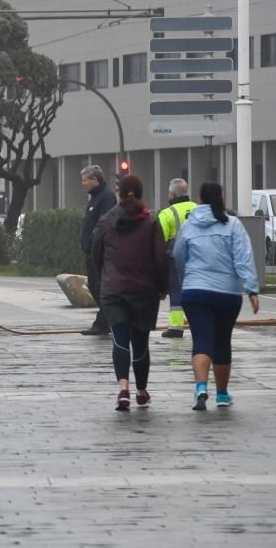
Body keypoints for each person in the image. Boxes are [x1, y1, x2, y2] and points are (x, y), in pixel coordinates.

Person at [173, 182, 260, 410]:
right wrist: (252, 289)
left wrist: (186, 281)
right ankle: (221, 394)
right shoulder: (233, 225)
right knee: (223, 341)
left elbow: (179, 256)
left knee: (201, 340)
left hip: (195, 292)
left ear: (200, 199)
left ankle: (200, 387)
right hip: (227, 294)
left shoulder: (189, 226)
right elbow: (243, 258)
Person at [92, 175, 168, 410]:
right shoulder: (151, 222)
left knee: (120, 339)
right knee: (140, 342)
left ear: (119, 194)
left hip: (114, 291)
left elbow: (96, 256)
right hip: (144, 292)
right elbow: (160, 259)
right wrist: (162, 288)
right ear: (141, 193)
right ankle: (141, 391)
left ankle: (122, 389)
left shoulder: (106, 222)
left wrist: (104, 280)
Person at [80, 164, 117, 336]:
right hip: (91, 251)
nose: (83, 184)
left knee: (99, 286)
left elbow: (105, 224)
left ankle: (105, 321)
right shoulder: (95, 197)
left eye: (85, 180)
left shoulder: (106, 197)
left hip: (100, 252)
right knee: (95, 286)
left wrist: (97, 246)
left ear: (95, 179)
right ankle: (104, 321)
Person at [158, 178, 197, 338]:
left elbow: (160, 239)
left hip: (175, 259)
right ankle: (198, 323)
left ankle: (176, 327)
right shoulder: (198, 209)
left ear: (172, 194)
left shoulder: (168, 213)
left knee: (176, 290)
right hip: (198, 256)